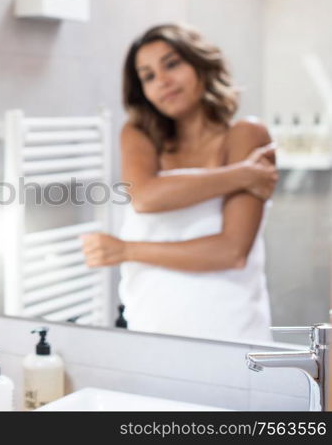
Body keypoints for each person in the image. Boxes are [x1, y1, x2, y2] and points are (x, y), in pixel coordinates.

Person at [81, 23, 278, 342]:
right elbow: (144, 196)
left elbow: (230, 252)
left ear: (199, 63)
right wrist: (239, 174)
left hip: (233, 334)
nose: (163, 82)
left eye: (171, 64)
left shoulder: (246, 136)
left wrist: (127, 250)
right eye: (148, 76)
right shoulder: (140, 135)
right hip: (151, 333)